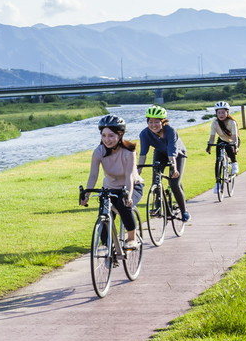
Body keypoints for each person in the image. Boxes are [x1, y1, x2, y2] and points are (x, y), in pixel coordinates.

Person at [80, 114, 144, 249]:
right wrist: (86, 195)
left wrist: (128, 195)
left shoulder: (129, 151)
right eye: (104, 135)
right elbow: (93, 175)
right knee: (104, 216)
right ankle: (108, 247)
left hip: (132, 185)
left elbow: (129, 176)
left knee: (123, 205)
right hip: (109, 187)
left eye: (111, 136)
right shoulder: (99, 151)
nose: (107, 139)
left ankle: (132, 238)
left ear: (120, 135)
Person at [138, 105, 190, 223]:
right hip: (160, 153)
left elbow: (172, 150)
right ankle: (162, 208)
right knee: (156, 180)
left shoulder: (170, 131)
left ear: (163, 122)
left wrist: (174, 167)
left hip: (177, 154)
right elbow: (143, 153)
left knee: (174, 183)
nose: (153, 125)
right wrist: (139, 169)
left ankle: (184, 211)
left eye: (157, 122)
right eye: (150, 122)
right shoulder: (144, 134)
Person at [205, 100, 240, 176]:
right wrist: (209, 146)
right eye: (219, 113)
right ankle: (217, 182)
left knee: (230, 148)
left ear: (227, 112)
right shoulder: (215, 123)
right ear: (216, 113)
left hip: (232, 140)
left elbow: (234, 136)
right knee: (218, 160)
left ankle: (234, 163)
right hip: (222, 140)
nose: (221, 115)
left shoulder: (232, 122)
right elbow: (212, 137)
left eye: (223, 112)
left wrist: (235, 146)